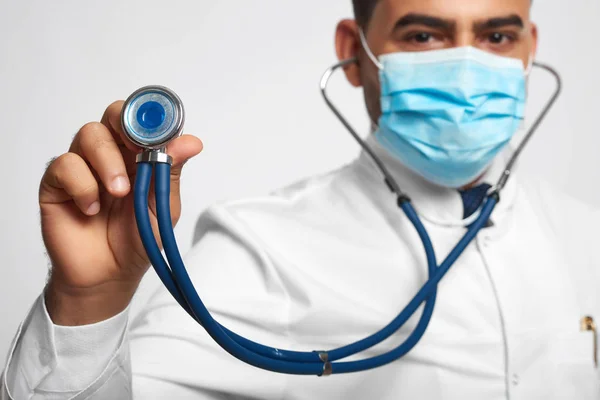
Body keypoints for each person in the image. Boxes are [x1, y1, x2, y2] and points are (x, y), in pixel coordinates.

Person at [2, 0, 599, 398]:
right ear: (356, 52)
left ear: (528, 49)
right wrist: (92, 300)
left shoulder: (587, 236)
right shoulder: (260, 248)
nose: (468, 69)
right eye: (424, 35)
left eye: (497, 35)